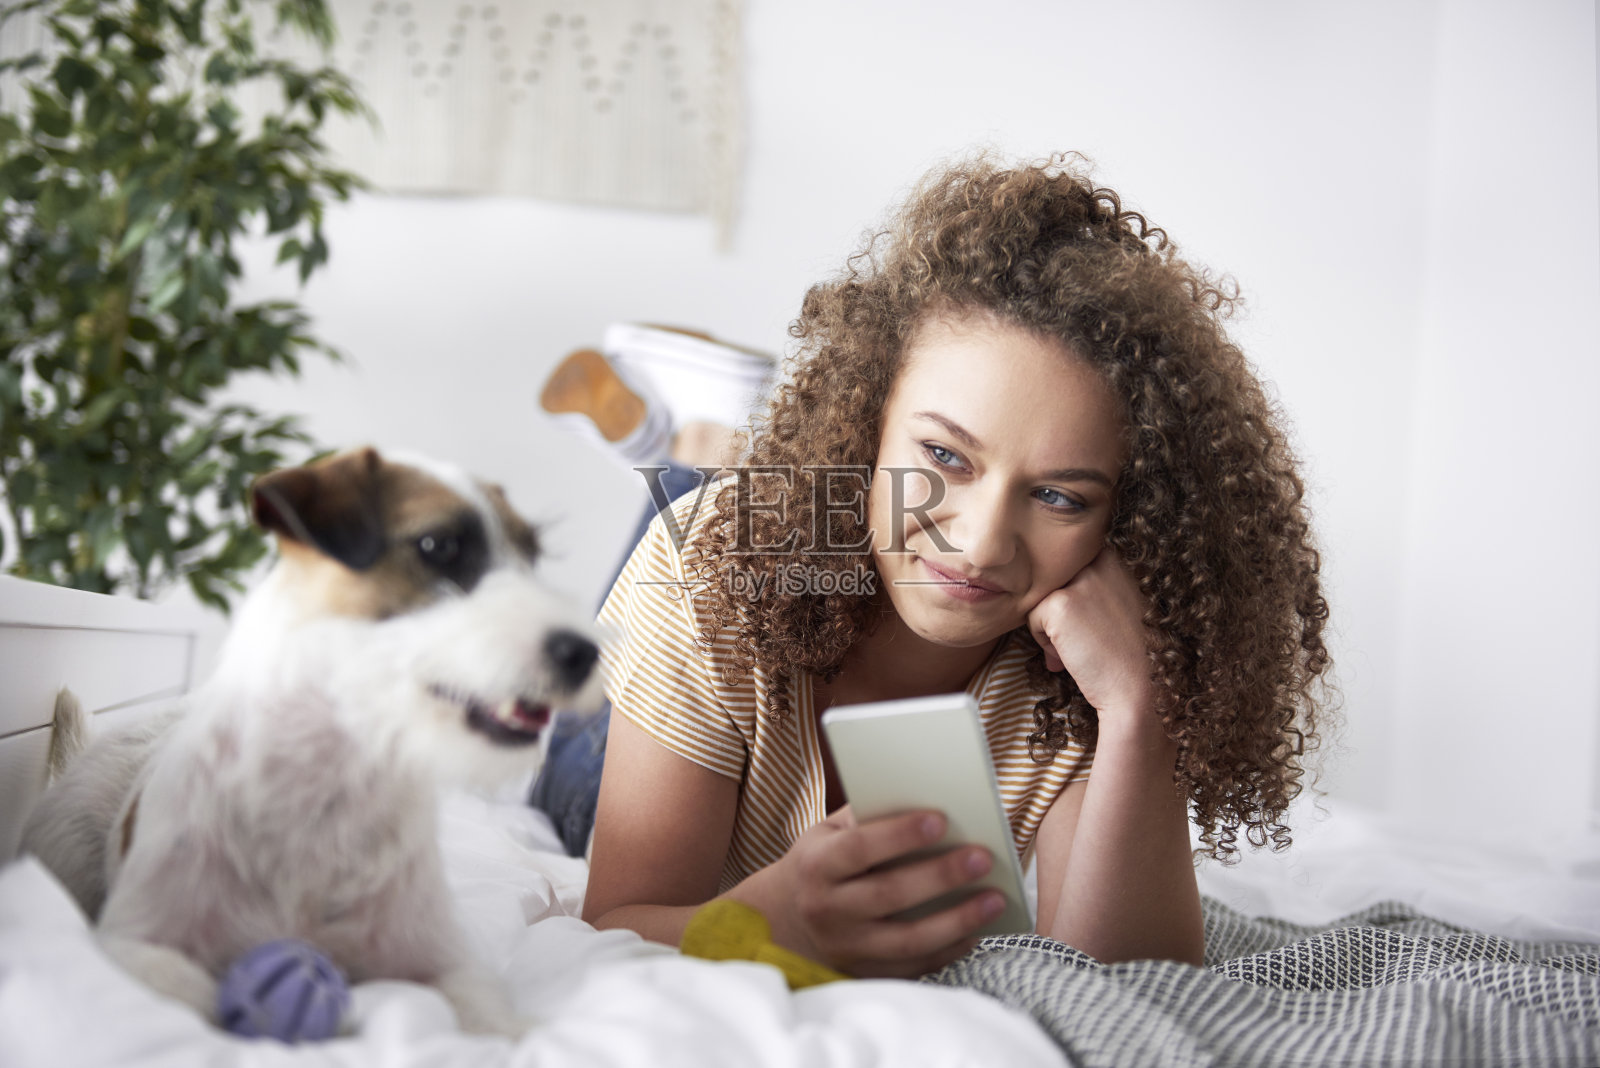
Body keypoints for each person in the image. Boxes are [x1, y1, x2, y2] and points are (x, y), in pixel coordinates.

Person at [578, 153, 1332, 977]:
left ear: (1128, 523)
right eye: (944, 454)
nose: (978, 546)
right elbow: (613, 923)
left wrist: (1138, 707)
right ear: (865, 426)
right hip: (668, 674)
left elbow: (1125, 982)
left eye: (1060, 498)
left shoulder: (1085, 662)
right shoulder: (714, 568)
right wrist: (777, 921)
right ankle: (694, 441)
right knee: (694, 519)